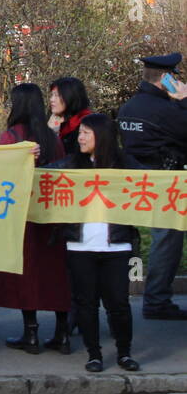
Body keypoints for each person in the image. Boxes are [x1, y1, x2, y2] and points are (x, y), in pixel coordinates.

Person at [0, 83, 70, 353]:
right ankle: (62, 334)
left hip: (23, 217)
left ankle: (30, 334)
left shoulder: (12, 137)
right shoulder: (52, 137)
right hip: (52, 213)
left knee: (26, 274)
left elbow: (0, 175)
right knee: (56, 274)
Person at [58, 114, 140, 372]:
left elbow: (153, 183)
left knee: (118, 303)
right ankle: (94, 354)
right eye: (80, 132)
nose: (80, 138)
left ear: (101, 136)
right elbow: (45, 175)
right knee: (86, 304)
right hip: (80, 246)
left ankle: (124, 353)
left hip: (116, 245)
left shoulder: (125, 164)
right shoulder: (72, 164)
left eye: (85, 133)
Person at [116, 54, 187, 321]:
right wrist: (184, 101)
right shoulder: (167, 109)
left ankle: (117, 297)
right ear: (167, 79)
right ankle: (156, 302)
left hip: (132, 180)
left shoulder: (128, 107)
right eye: (175, 78)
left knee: (129, 240)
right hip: (163, 180)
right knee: (167, 240)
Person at [48, 76, 92, 157]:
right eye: (52, 95)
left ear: (70, 97)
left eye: (56, 95)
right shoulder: (63, 125)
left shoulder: (87, 125)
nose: (52, 99)